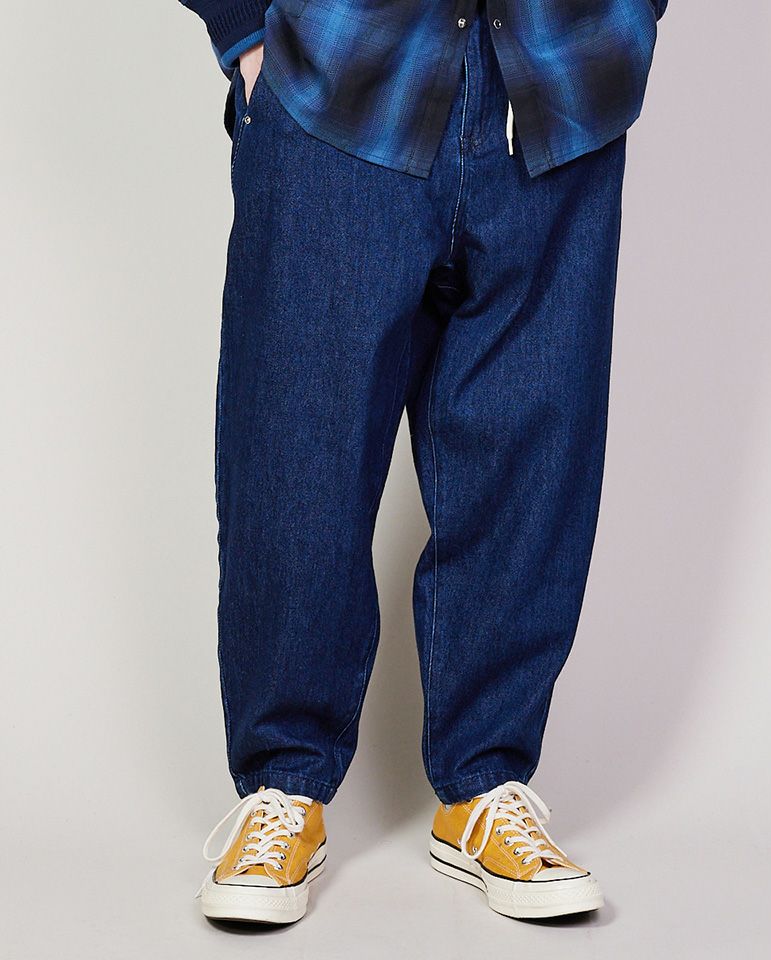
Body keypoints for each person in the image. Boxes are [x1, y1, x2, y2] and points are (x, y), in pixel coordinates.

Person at [181, 0, 667, 925]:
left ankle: (483, 787)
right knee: (297, 448)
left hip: (559, 76)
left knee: (533, 445)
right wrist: (243, 30)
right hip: (340, 72)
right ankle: (283, 786)